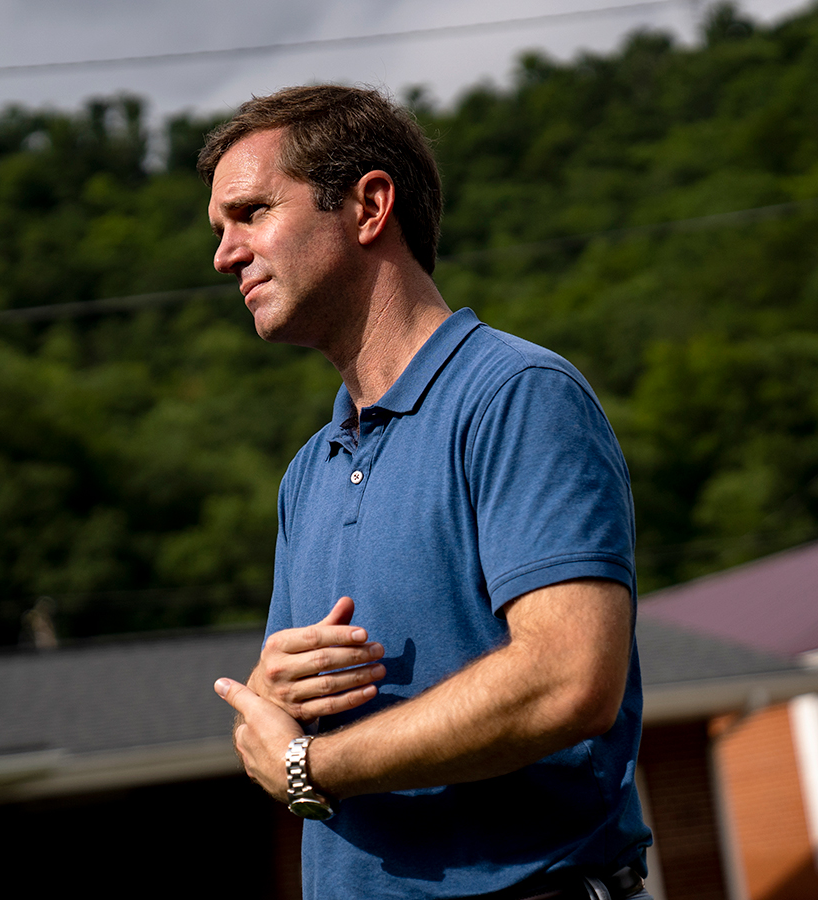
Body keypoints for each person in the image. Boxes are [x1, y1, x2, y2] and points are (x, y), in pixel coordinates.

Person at [203, 85, 653, 900]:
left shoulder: (517, 395)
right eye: (222, 228)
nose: (225, 254)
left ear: (371, 205)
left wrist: (314, 764)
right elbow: (269, 734)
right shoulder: (306, 472)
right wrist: (271, 700)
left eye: (252, 212)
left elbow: (571, 678)